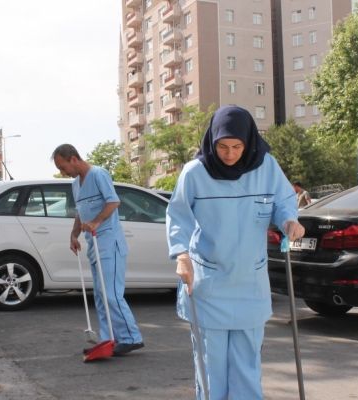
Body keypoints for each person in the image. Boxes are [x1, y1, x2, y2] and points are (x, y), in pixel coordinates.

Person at [166, 106, 305, 400]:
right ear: (212, 142)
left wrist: (289, 220)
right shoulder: (195, 172)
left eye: (237, 146)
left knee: (246, 364)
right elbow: (178, 214)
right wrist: (181, 255)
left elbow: (283, 201)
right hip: (208, 282)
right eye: (223, 146)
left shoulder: (266, 166)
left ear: (248, 141)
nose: (230, 154)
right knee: (211, 365)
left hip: (249, 281)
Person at [52, 144, 144, 356]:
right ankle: (107, 339)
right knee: (101, 296)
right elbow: (79, 212)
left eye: (63, 167)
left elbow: (114, 202)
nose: (62, 172)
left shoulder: (99, 174)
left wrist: (95, 222)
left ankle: (131, 337)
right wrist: (73, 235)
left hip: (110, 243)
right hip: (93, 246)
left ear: (73, 159)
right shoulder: (76, 184)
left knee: (111, 294)